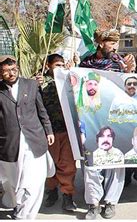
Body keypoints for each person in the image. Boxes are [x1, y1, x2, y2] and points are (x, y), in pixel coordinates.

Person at [79, 28, 134, 220]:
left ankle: (110, 202)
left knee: (115, 162)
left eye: (116, 43)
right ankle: (93, 203)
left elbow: (129, 87)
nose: (114, 46)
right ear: (101, 43)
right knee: (92, 162)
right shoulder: (86, 63)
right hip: (92, 119)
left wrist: (128, 72)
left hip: (115, 119)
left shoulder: (119, 62)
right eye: (111, 42)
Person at [0, 55, 54, 219]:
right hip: (8, 144)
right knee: (11, 182)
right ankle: (17, 204)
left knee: (33, 182)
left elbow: (41, 109)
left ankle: (25, 216)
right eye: (6, 71)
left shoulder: (31, 85)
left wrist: (48, 130)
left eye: (13, 69)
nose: (11, 73)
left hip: (33, 140)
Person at [38, 54, 77, 211]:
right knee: (50, 163)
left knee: (67, 164)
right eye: (56, 65)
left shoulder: (68, 79)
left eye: (62, 65)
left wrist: (73, 72)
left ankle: (67, 195)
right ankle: (51, 190)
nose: (60, 68)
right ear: (48, 66)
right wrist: (36, 84)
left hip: (67, 130)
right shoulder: (40, 82)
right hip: (49, 132)